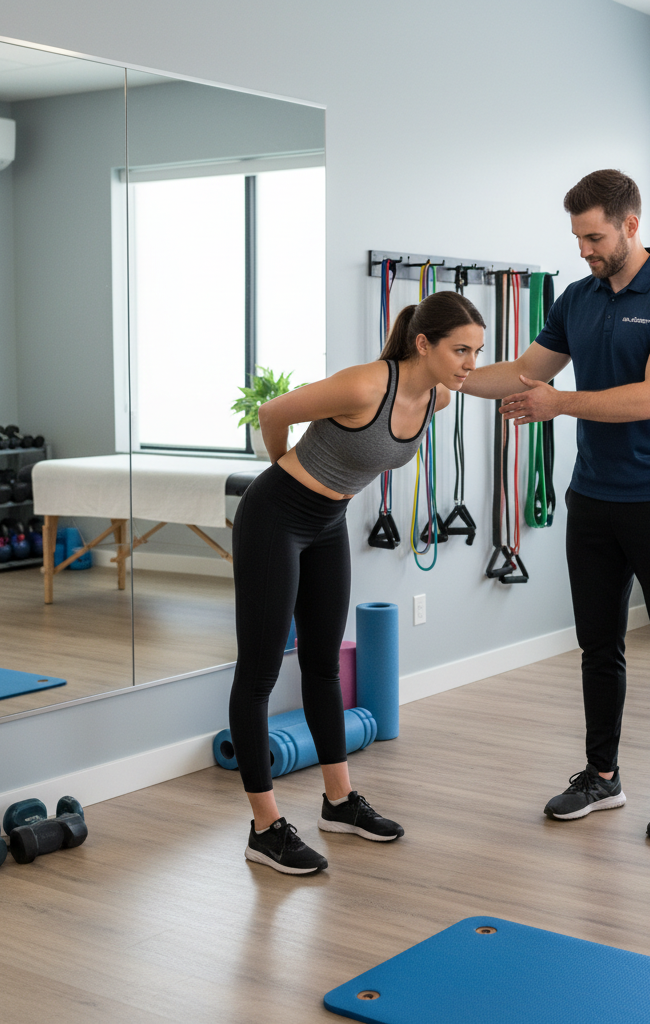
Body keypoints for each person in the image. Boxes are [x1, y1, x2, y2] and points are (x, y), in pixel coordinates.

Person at [461, 169, 650, 840]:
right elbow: (524, 372)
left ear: (631, 226)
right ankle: (601, 777)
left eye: (595, 237)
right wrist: (443, 376)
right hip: (594, 499)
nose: (585, 250)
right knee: (598, 646)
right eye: (577, 238)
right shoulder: (579, 297)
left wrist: (559, 404)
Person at [229, 290, 486, 874]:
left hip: (327, 523)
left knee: (322, 663)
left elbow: (493, 378)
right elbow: (274, 412)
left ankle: (339, 802)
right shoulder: (367, 385)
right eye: (461, 350)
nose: (469, 362)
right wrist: (280, 470)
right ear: (424, 344)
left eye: (476, 351)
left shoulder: (438, 396)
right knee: (262, 670)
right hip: (275, 515)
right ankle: (265, 829)